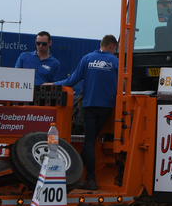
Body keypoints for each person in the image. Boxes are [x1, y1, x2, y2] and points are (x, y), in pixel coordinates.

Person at [47, 34, 119, 191]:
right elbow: (124, 84)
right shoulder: (115, 61)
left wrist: (53, 84)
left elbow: (71, 81)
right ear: (112, 46)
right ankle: (80, 176)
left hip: (89, 105)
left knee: (89, 141)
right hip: (106, 107)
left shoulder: (87, 59)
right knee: (91, 141)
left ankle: (80, 175)